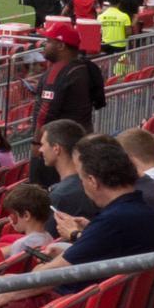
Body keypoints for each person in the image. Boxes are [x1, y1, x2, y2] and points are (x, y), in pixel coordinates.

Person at [0, 136, 154, 308]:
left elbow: (52, 274)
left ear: (93, 181)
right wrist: (86, 232)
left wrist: (7, 292)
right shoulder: (139, 207)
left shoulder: (113, 220)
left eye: (82, 179)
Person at [33, 21, 102, 185]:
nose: (44, 45)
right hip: (79, 142)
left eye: (49, 41)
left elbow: (45, 113)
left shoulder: (59, 71)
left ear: (61, 46)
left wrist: (36, 144)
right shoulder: (83, 67)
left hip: (59, 148)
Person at [0, 183, 57, 253]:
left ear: (26, 216)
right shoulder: (49, 237)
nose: (10, 218)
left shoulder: (21, 245)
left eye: (13, 214)